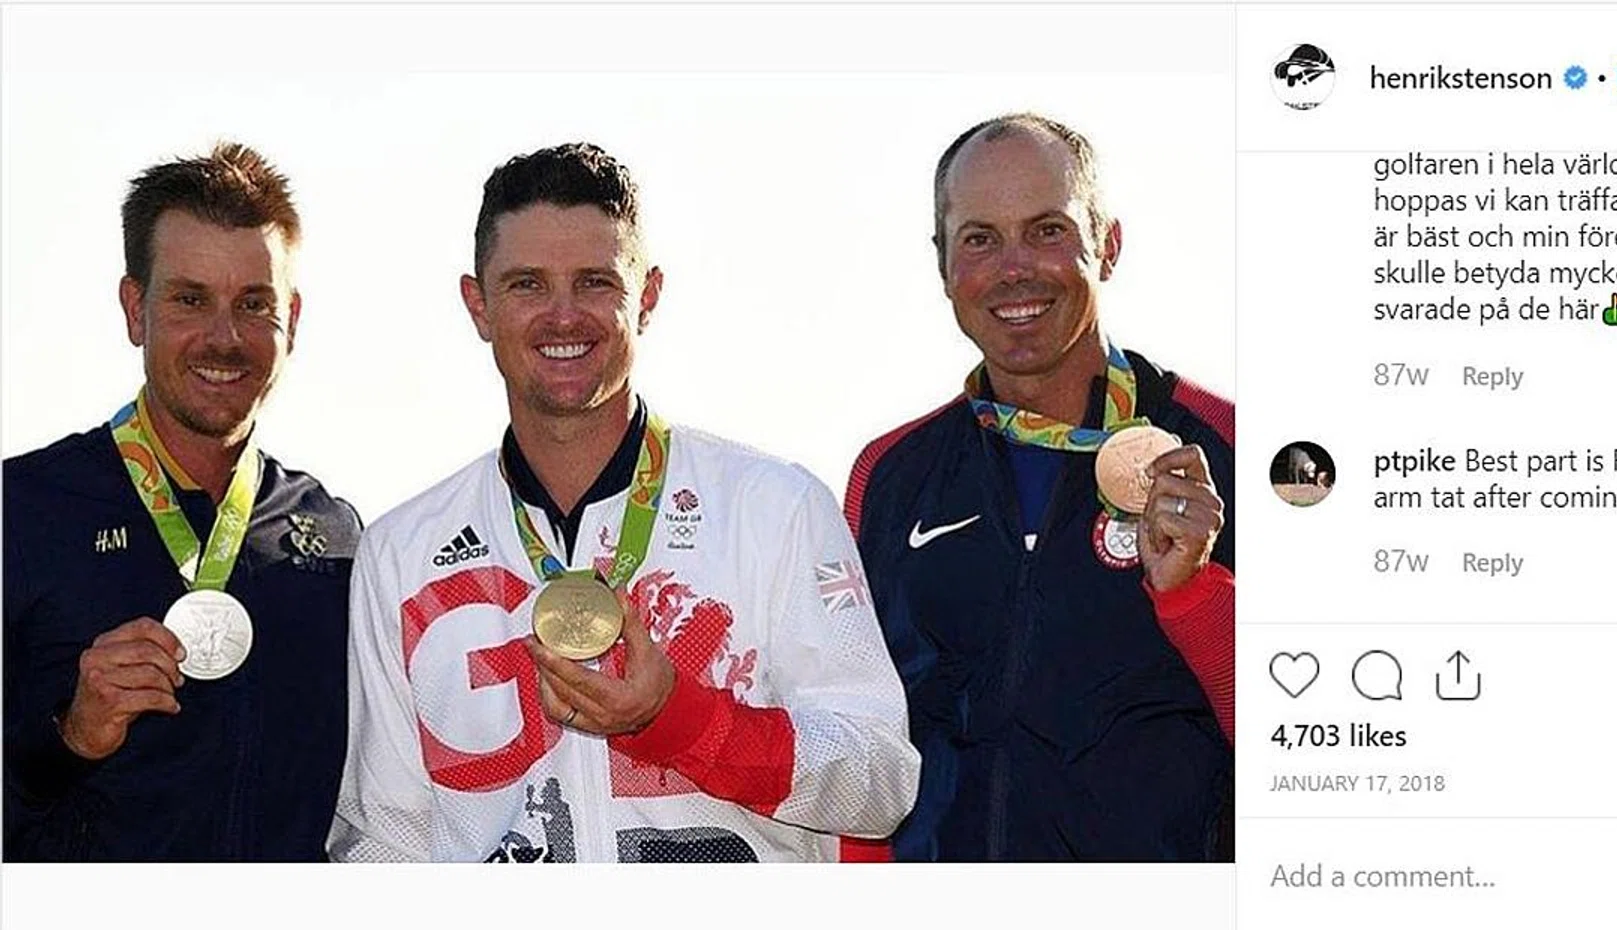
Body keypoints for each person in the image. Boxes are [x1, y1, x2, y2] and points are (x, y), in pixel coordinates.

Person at [329, 143, 918, 863]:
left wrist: (680, 718)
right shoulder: (401, 552)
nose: (564, 316)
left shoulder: (775, 509)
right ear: (477, 305)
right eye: (526, 285)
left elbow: (882, 780)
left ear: (648, 295)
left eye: (596, 282)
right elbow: (387, 841)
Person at [844, 114, 1235, 861]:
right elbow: (870, 747)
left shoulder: (1230, 448)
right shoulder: (887, 477)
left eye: (1048, 230)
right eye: (980, 239)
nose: (1013, 267)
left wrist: (1193, 596)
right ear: (942, 264)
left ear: (1107, 245)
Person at [2, 142, 361, 860]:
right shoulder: (21, 512)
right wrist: (66, 736)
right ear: (136, 309)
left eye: (253, 304)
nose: (224, 338)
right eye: (190, 299)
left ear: (291, 318)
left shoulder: (337, 535)